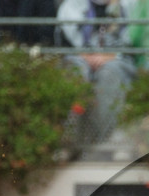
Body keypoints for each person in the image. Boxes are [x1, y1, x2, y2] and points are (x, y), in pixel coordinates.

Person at [57, 0, 137, 146]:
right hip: (79, 58)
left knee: (109, 74)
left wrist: (112, 56)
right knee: (77, 73)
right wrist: (85, 55)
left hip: (119, 60)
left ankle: (106, 143)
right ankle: (71, 143)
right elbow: (63, 44)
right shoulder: (71, 6)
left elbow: (134, 42)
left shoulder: (130, 5)